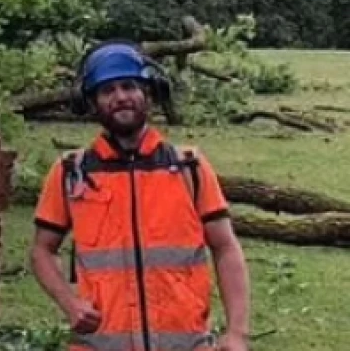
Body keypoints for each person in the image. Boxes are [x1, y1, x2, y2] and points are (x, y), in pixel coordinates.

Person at [30, 42, 253, 351]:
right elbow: (41, 251)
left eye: (129, 86)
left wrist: (237, 332)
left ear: (148, 94)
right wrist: (69, 303)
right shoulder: (72, 172)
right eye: (107, 90)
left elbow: (226, 247)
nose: (120, 97)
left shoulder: (189, 166)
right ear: (92, 101)